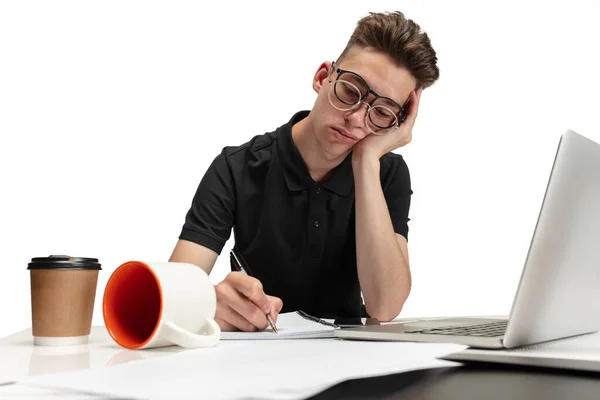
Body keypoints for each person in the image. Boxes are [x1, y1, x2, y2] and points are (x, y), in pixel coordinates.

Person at [169, 11, 439, 332]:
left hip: (351, 361)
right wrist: (209, 302)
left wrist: (366, 161)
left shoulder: (387, 172)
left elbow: (385, 306)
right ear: (323, 77)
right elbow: (172, 293)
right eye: (351, 92)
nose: (356, 119)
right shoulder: (236, 166)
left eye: (380, 112)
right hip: (254, 352)